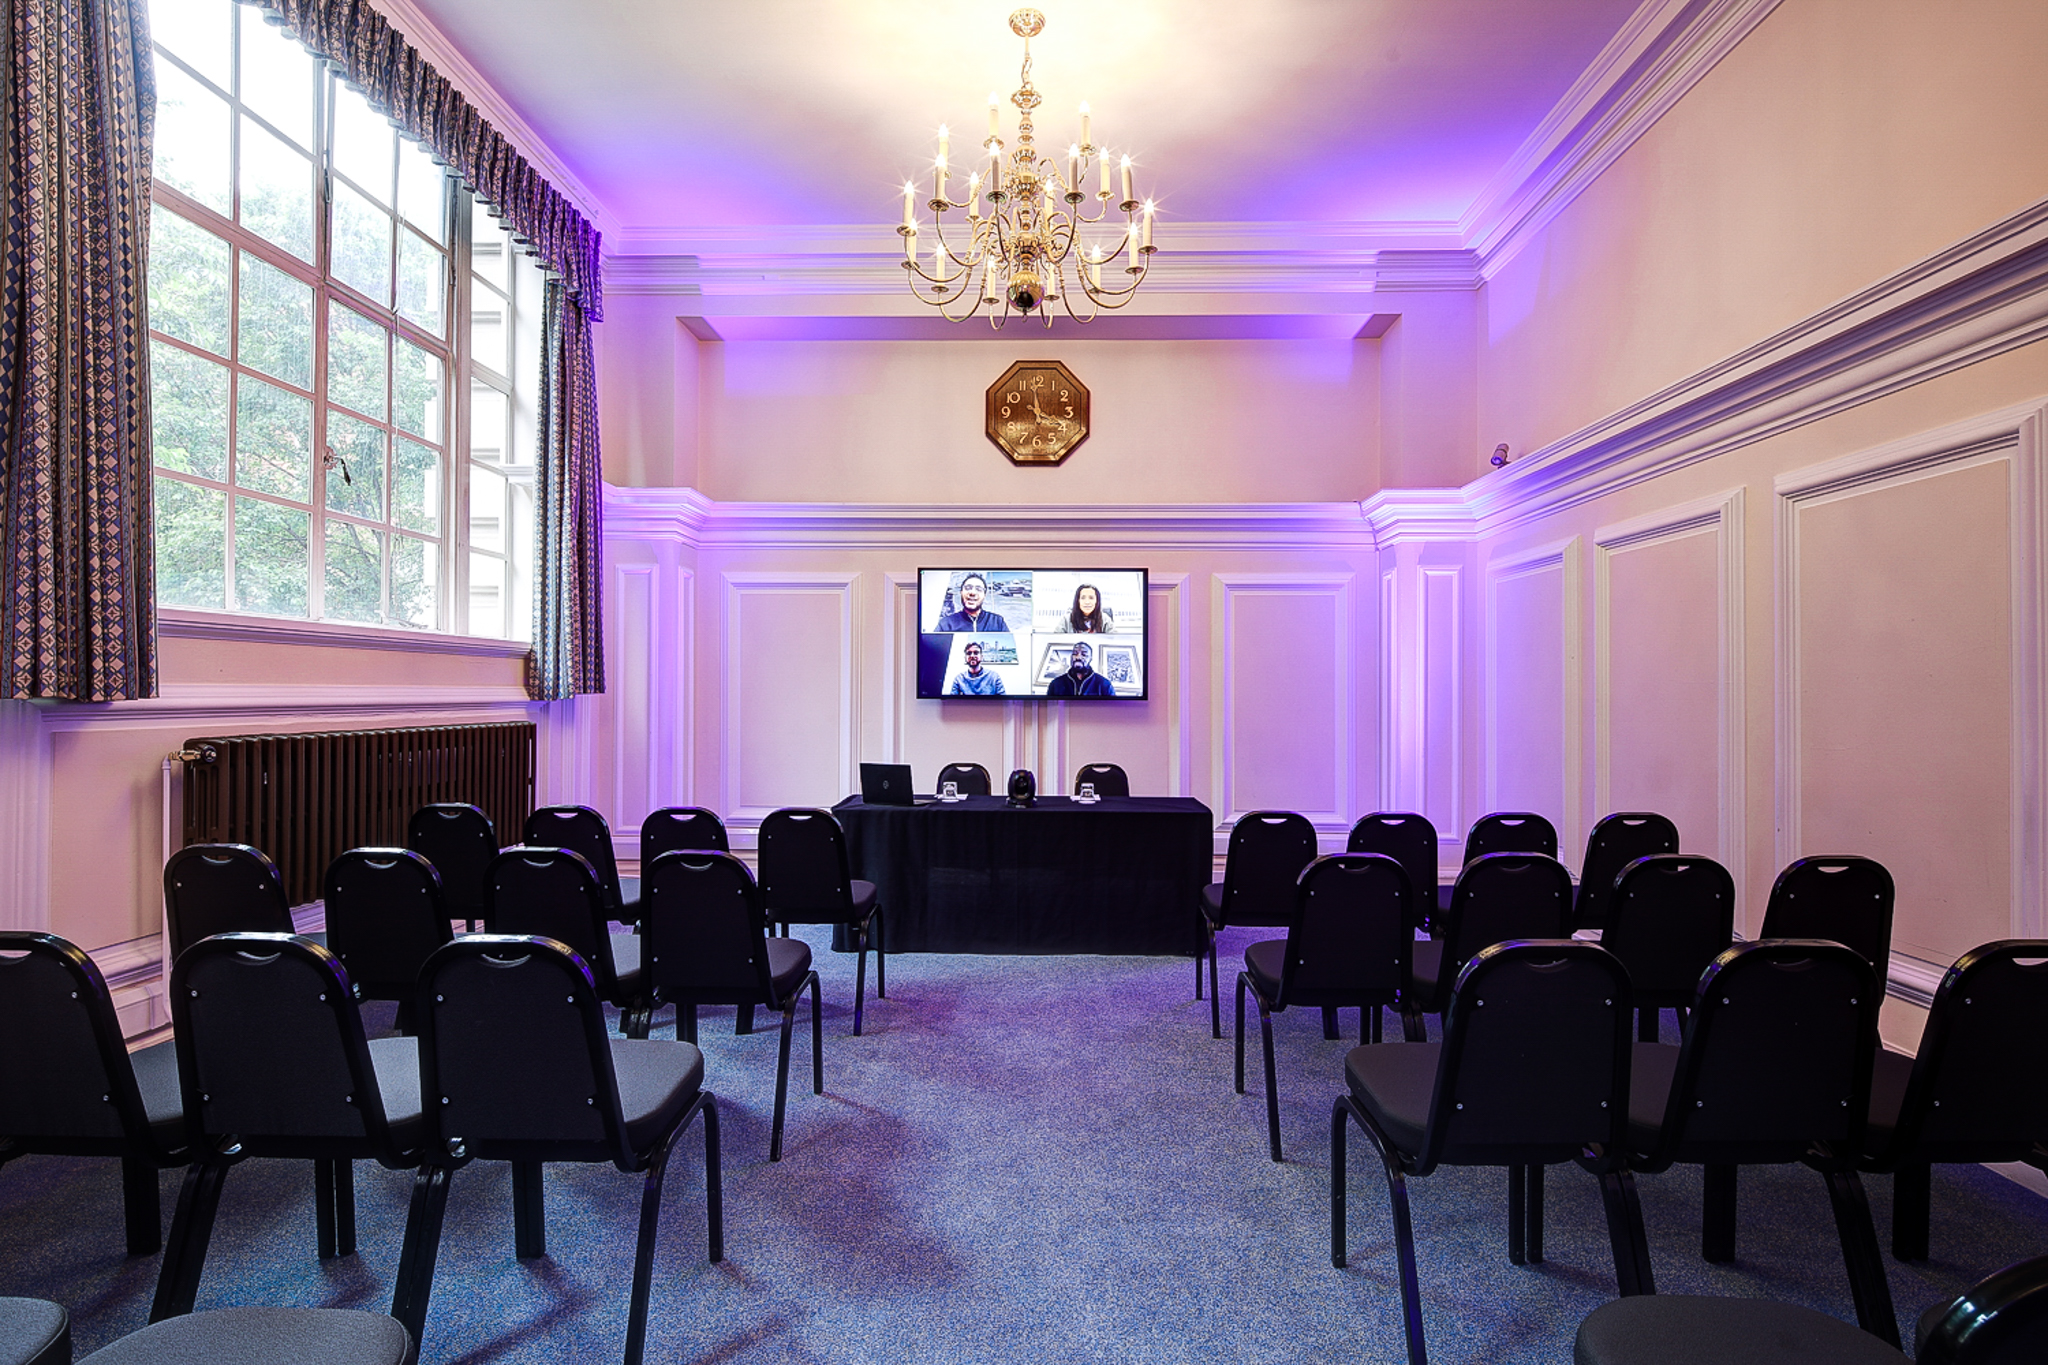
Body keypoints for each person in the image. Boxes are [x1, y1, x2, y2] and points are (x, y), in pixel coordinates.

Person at [934, 572, 1009, 632]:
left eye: (978, 589)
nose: (972, 593)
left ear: (984, 595)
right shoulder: (946, 624)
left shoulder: (998, 622)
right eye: (968, 588)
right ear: (961, 592)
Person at [1045, 639, 1115, 697]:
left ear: (1090, 659)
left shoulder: (1104, 684)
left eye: (1084, 654)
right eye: (1075, 653)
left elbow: (1113, 710)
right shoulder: (1056, 684)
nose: (1078, 657)